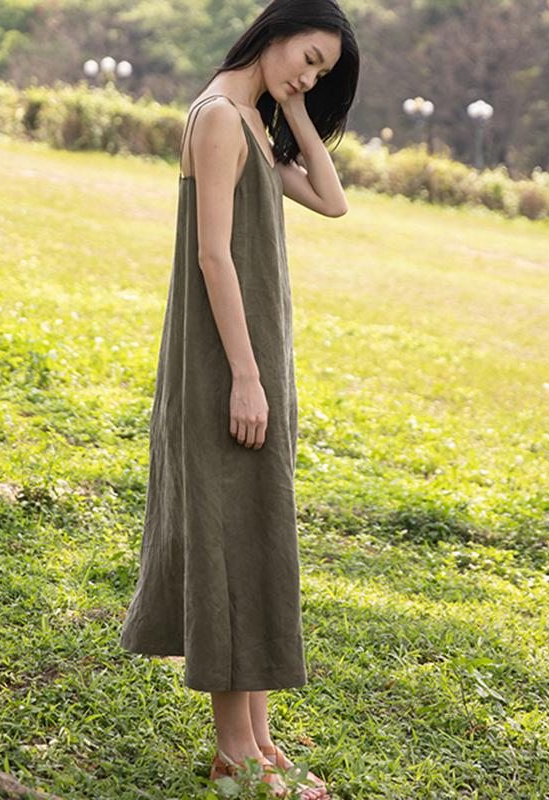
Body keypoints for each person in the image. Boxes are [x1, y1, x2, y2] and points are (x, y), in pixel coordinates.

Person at [119, 0, 360, 796]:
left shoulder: (255, 119)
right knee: (226, 540)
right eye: (308, 56)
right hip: (226, 366)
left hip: (253, 361)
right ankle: (237, 754)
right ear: (275, 28)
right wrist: (247, 377)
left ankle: (257, 736)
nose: (310, 73)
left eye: (322, 70)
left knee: (253, 534)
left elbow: (332, 200)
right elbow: (213, 255)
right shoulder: (219, 116)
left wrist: (294, 105)